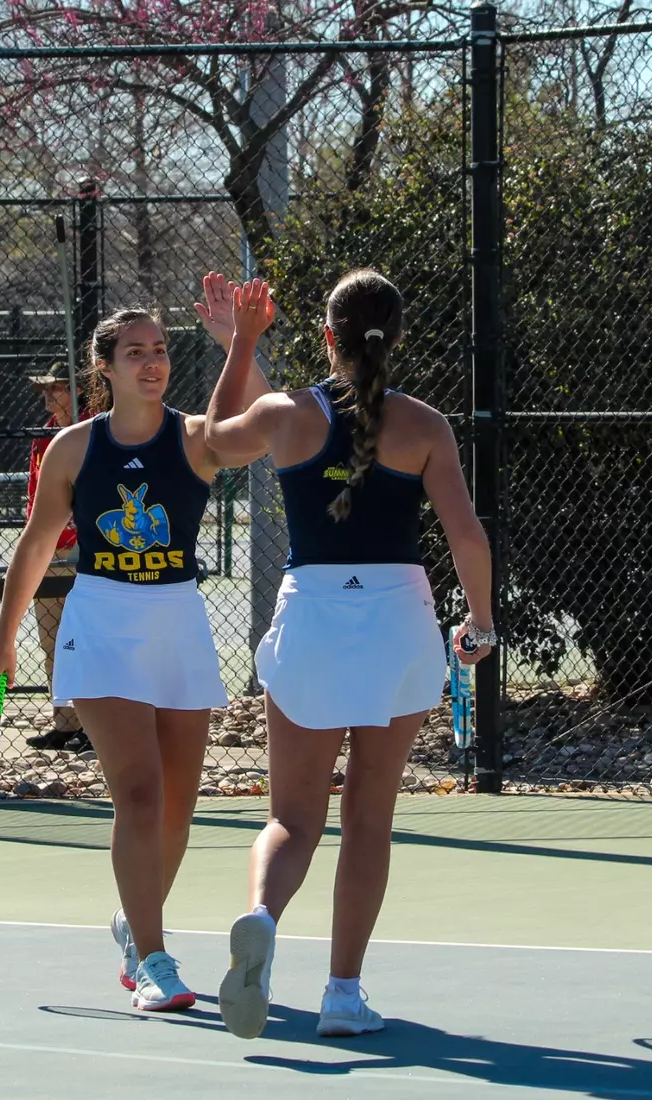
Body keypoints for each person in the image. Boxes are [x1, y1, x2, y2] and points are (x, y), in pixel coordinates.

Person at [202, 271, 494, 1040]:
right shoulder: (426, 425)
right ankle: (343, 992)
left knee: (292, 819)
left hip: (314, 620)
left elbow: (210, 441)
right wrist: (482, 624)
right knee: (369, 819)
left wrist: (243, 344)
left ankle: (262, 916)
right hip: (398, 620)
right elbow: (467, 535)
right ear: (395, 338)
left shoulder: (284, 414)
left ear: (327, 337)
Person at [0, 275, 268, 1012]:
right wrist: (6, 635)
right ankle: (153, 958)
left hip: (177, 619)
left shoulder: (194, 439)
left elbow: (250, 423)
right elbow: (38, 541)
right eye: (135, 352)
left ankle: (131, 923)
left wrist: (240, 342)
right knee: (139, 795)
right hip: (103, 621)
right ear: (102, 368)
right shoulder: (73, 448)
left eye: (160, 350)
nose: (151, 363)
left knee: (178, 806)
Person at [23, 367, 87, 750]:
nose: (47, 397)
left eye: (56, 389)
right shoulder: (45, 433)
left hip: (83, 548)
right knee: (54, 639)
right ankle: (65, 723)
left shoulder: (90, 432)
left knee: (85, 639)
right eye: (45, 390)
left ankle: (95, 727)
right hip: (49, 546)